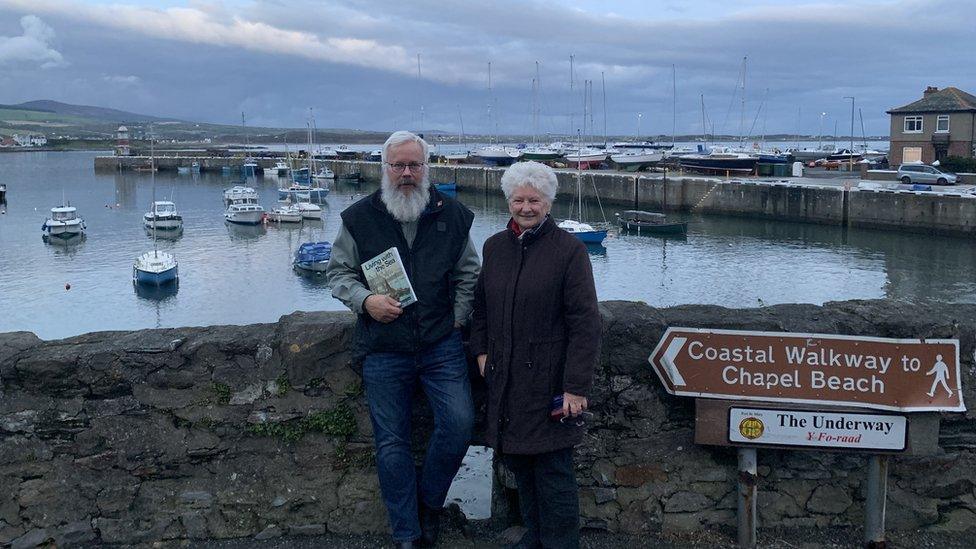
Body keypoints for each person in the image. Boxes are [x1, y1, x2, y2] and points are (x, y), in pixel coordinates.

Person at [326, 131, 480, 548]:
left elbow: (469, 273)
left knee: (460, 424)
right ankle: (407, 533)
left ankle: (429, 505)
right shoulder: (357, 217)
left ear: (426, 168)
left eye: (415, 165)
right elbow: (338, 274)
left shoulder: (454, 215)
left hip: (441, 345)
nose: (407, 173)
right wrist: (366, 300)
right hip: (383, 348)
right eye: (399, 166)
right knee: (391, 443)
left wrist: (457, 321)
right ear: (385, 169)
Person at [469, 161, 601, 549]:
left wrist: (576, 387)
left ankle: (560, 543)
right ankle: (535, 537)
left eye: (534, 200)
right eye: (518, 200)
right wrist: (480, 353)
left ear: (548, 203)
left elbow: (585, 323)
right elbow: (480, 310)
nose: (526, 207)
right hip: (507, 381)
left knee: (553, 471)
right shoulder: (495, 247)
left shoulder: (570, 251)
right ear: (508, 201)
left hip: (550, 383)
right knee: (522, 464)